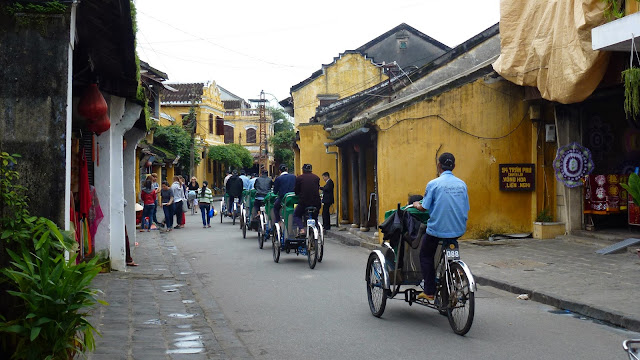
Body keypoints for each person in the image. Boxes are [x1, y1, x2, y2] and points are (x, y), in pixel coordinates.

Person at [412, 153, 469, 302]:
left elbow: (424, 207)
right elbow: (465, 207)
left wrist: (416, 204)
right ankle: (456, 275)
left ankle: (429, 290)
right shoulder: (462, 184)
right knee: (451, 247)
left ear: (439, 165)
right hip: (458, 229)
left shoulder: (434, 184)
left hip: (437, 230)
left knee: (425, 255)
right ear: (454, 166)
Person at [293, 164, 321, 236]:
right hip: (316, 203)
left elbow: (296, 191)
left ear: (303, 170)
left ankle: (302, 229)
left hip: (304, 202)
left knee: (296, 215)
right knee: (315, 216)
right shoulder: (316, 178)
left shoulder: (299, 178)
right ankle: (316, 227)